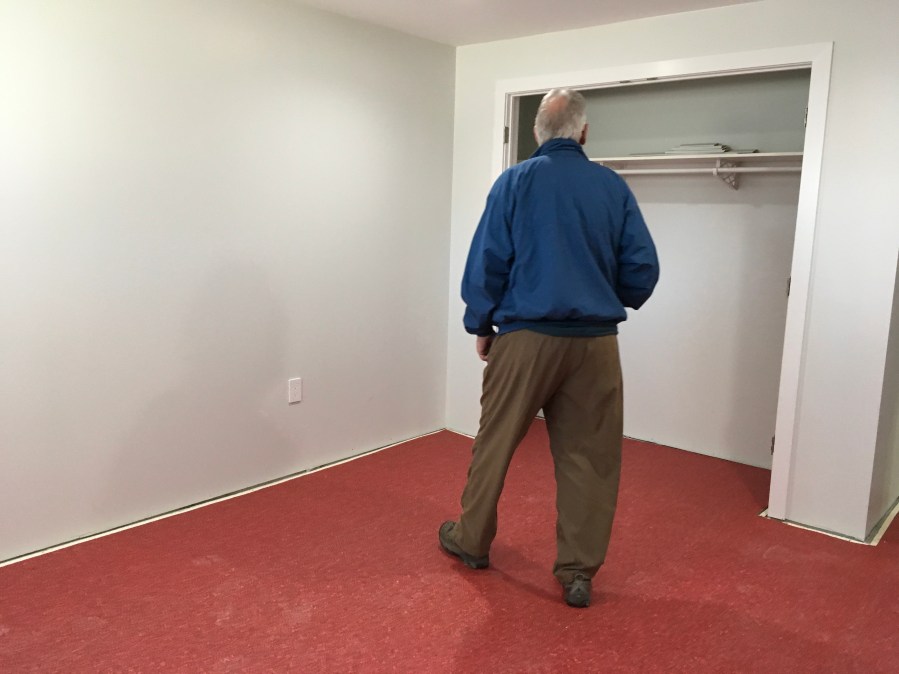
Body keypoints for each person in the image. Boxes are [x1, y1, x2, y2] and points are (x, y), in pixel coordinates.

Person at [439, 88, 660, 608]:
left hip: (525, 337)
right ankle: (578, 572)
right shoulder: (611, 186)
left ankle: (471, 540)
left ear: (537, 133)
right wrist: (602, 292)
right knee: (590, 457)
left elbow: (488, 260)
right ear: (584, 132)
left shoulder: (514, 181)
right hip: (595, 344)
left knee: (495, 442)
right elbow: (641, 270)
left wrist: (481, 323)